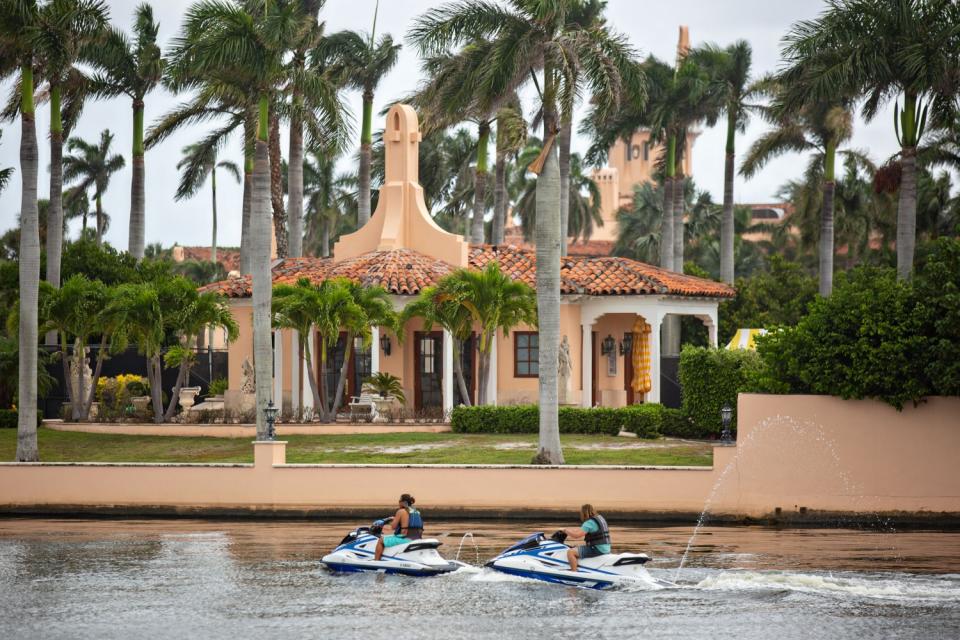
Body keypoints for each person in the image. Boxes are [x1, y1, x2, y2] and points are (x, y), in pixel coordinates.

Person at [561, 504, 611, 572]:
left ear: (583, 513)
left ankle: (574, 571)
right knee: (577, 547)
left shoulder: (589, 523)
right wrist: (568, 530)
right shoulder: (600, 518)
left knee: (571, 552)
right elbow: (580, 530)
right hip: (606, 548)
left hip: (598, 549)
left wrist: (566, 531)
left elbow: (576, 535)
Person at [373, 493, 424, 561]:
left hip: (406, 538)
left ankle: (376, 561)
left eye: (399, 501)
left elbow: (393, 527)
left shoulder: (400, 511)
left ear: (403, 502)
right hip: (417, 538)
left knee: (381, 540)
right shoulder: (417, 512)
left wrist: (390, 521)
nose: (399, 503)